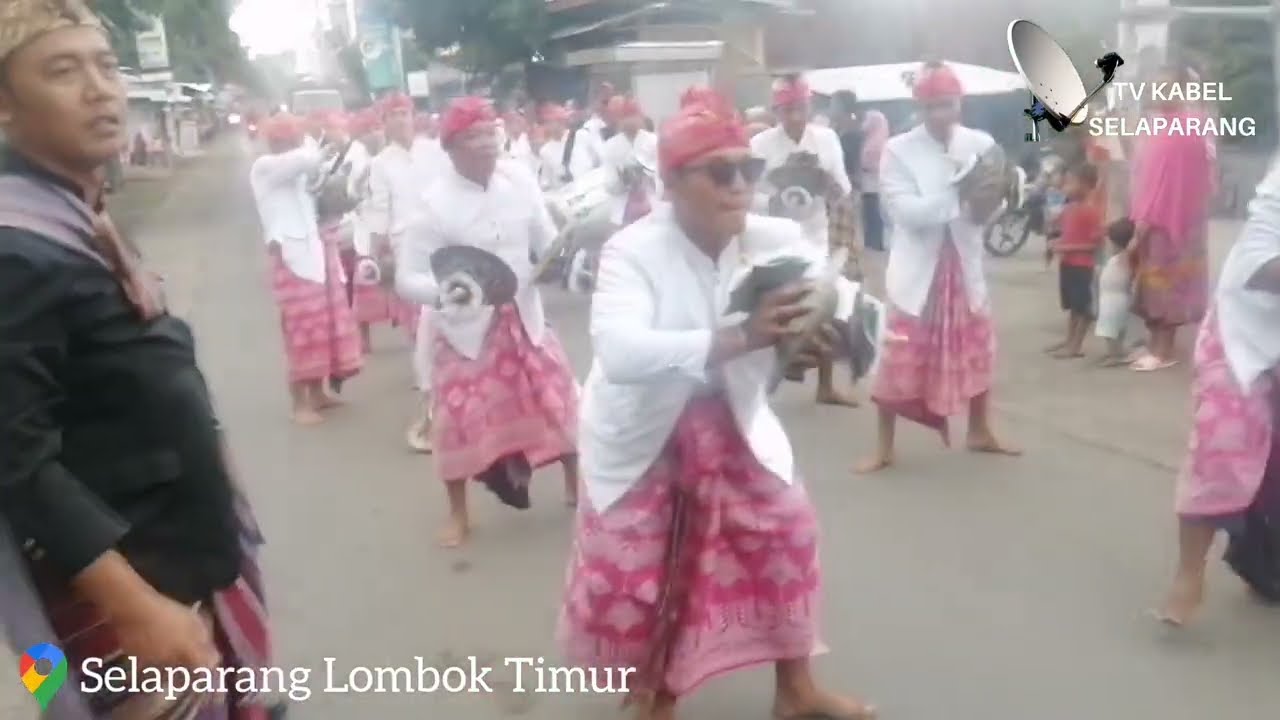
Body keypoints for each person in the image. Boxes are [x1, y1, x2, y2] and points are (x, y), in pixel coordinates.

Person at [0, 4, 279, 717]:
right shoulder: (14, 249)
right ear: (4, 108)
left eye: (106, 64)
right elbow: (15, 458)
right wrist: (135, 608)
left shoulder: (74, 216)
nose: (101, 89)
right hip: (118, 609)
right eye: (63, 71)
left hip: (177, 563)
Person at [558, 96, 876, 720]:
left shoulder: (776, 238)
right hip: (645, 429)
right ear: (673, 184)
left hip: (733, 417)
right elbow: (621, 353)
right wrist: (742, 339)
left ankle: (797, 691)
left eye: (747, 171)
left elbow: (835, 296)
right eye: (719, 173)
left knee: (786, 535)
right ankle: (656, 695)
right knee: (647, 573)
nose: (739, 187)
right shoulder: (632, 251)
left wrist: (827, 335)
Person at [396, 97, 580, 548]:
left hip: (523, 313)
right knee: (458, 417)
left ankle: (579, 486)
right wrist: (443, 293)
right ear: (452, 147)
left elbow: (543, 235)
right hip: (465, 329)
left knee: (557, 397)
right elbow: (407, 277)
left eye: (490, 133)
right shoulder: (434, 205)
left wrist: (558, 256)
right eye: (473, 138)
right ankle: (459, 514)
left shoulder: (518, 179)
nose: (486, 145)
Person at [857, 61, 1019, 472]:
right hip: (918, 270)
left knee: (979, 347)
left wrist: (990, 203)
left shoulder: (980, 143)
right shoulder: (897, 150)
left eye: (946, 105)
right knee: (898, 353)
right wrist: (959, 196)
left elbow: (991, 205)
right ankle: (883, 446)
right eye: (930, 108)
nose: (939, 116)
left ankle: (980, 430)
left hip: (964, 263)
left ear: (959, 103)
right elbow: (906, 214)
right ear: (919, 108)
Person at [1157, 158, 1280, 626]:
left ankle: (1263, 559)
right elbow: (1255, 264)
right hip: (1244, 332)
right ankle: (1189, 576)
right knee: (1222, 448)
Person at [751, 74, 859, 407]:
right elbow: (750, 193)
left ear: (810, 106)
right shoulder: (761, 145)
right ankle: (758, 387)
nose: (795, 117)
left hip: (816, 231)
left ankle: (825, 384)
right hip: (775, 236)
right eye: (787, 110)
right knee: (778, 308)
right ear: (776, 111)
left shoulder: (826, 139)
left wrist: (825, 183)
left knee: (824, 304)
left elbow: (844, 187)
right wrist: (775, 198)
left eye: (800, 108)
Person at [249, 113, 363, 425]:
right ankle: (299, 403)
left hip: (314, 252)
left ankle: (319, 392)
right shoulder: (266, 167)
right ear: (277, 141)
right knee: (300, 330)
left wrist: (332, 155)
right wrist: (325, 141)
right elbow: (305, 161)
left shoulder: (294, 170)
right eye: (291, 138)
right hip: (290, 257)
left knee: (321, 326)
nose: (294, 142)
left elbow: (317, 177)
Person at [1125, 66, 1214, 372]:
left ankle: (1163, 350)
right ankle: (1154, 345)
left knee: (1167, 286)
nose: (1159, 93)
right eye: (1155, 87)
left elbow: (1177, 181)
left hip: (1173, 220)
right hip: (1155, 216)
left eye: (1167, 87)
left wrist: (1148, 220)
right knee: (1151, 285)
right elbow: (1146, 174)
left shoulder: (1187, 128)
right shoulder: (1160, 126)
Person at [369, 92, 434, 452]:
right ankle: (425, 379)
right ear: (384, 122)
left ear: (414, 116)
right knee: (417, 317)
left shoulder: (433, 151)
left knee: (443, 309)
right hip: (404, 243)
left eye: (403, 113)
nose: (399, 120)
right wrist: (379, 250)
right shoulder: (381, 163)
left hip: (438, 237)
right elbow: (380, 208)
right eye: (391, 115)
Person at [1045, 163, 1104, 359]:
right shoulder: (1069, 208)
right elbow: (1067, 234)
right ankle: (1069, 340)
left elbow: (1094, 245)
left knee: (1083, 308)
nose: (1065, 186)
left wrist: (1064, 247)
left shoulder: (1092, 211)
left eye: (1071, 182)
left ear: (1086, 185)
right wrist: (1056, 242)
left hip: (1082, 266)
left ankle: (1076, 346)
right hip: (1068, 264)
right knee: (1072, 306)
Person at [600, 95, 660, 227]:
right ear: (619, 120)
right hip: (624, 209)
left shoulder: (653, 141)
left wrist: (645, 173)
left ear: (641, 118)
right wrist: (623, 179)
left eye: (633, 116)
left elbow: (662, 177)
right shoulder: (611, 146)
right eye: (625, 117)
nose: (630, 121)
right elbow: (608, 184)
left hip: (652, 204)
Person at [1096, 219, 1137, 365]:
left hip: (1114, 297)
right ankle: (1117, 352)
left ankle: (1114, 354)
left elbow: (1128, 272)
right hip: (1112, 296)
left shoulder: (1123, 256)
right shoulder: (1120, 257)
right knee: (1116, 327)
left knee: (1110, 328)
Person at [859, 110, 891, 252]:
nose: (865, 124)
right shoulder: (871, 140)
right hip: (869, 185)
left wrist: (865, 167)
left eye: (868, 120)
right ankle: (871, 243)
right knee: (869, 215)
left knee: (874, 215)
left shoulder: (879, 143)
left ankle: (876, 244)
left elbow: (880, 166)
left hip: (875, 186)